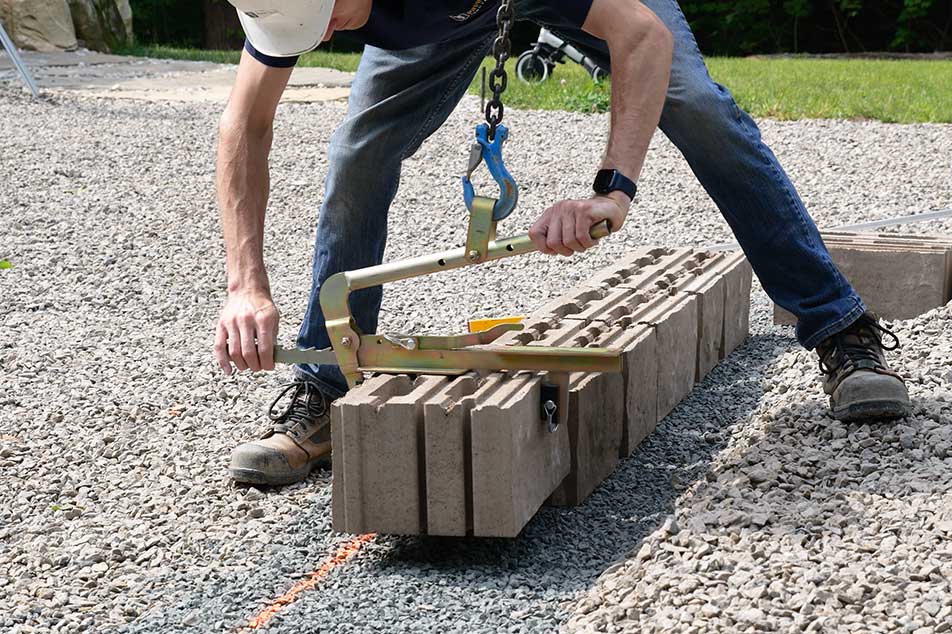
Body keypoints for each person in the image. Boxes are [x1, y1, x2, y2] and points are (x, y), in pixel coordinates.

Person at [216, 0, 911, 487]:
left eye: (332, 12)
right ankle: (326, 384)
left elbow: (640, 36)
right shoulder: (283, 5)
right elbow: (244, 126)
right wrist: (245, 283)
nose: (330, 30)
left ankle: (840, 330)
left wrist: (613, 188)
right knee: (356, 157)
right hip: (439, 17)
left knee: (699, 107)